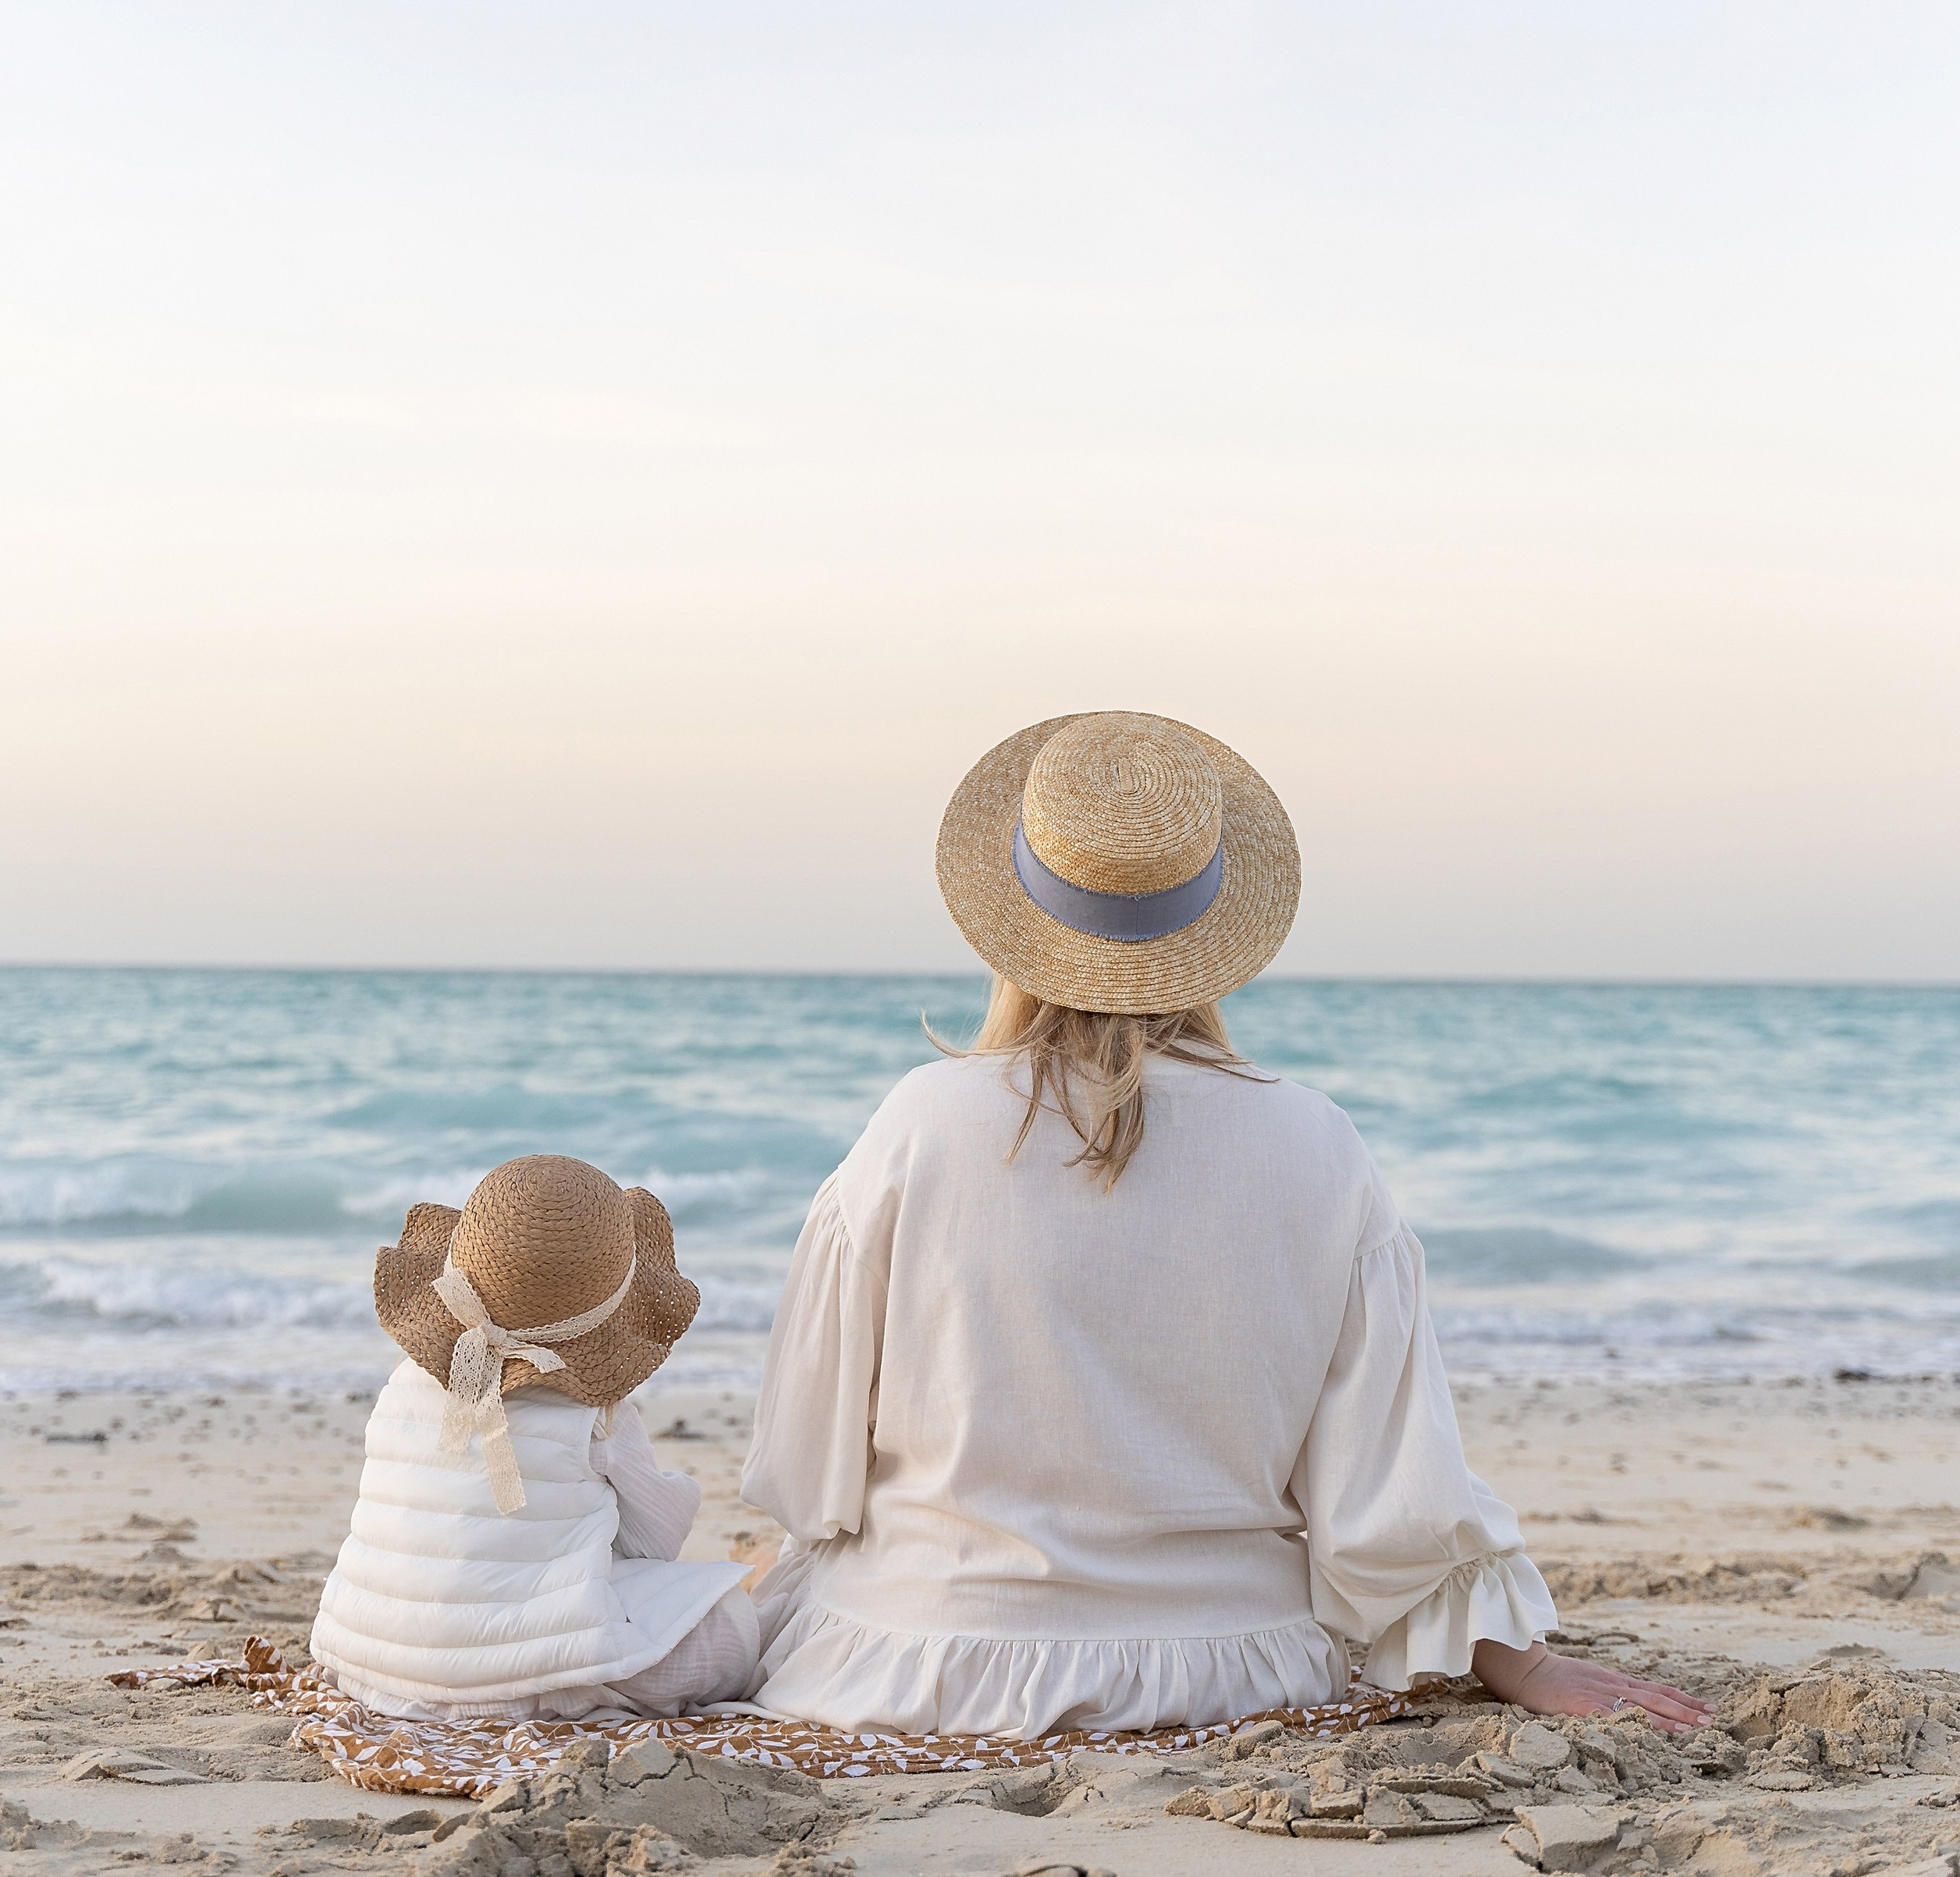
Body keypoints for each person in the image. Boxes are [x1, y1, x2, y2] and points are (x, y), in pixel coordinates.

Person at [740, 710, 1710, 1739]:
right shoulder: (1318, 1142)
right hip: (1232, 1672)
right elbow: (1390, 1489)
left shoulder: (916, 1126)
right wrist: (1519, 1659)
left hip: (924, 1668)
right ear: (1215, 934)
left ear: (1009, 925)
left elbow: (810, 1475)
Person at [310, 1154, 758, 1720]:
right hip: (528, 1679)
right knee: (730, 1625)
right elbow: (655, 1543)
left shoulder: (403, 1384)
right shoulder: (596, 1413)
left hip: (369, 1657)